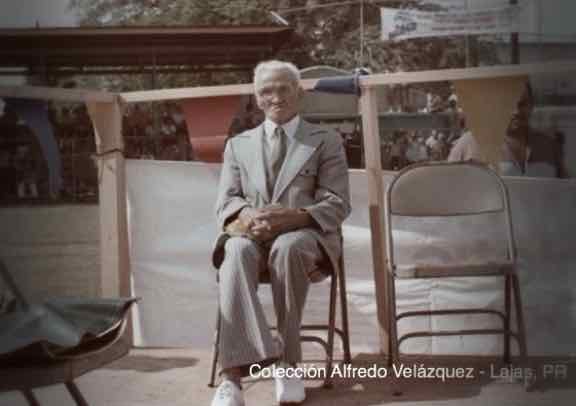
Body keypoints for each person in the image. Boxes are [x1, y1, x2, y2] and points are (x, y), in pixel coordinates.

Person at [211, 60, 351, 406]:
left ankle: (289, 364)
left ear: (298, 93)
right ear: (257, 99)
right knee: (235, 252)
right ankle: (232, 379)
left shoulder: (326, 140)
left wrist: (295, 217)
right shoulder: (237, 145)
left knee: (287, 247)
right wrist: (248, 214)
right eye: (266, 91)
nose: (275, 97)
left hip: (306, 239)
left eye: (283, 88)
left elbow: (337, 202)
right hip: (253, 237)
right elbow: (227, 201)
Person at [448, 84, 565, 177]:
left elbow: (566, 191)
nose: (516, 111)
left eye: (522, 104)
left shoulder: (548, 145)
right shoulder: (469, 144)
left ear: (532, 105)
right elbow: (448, 190)